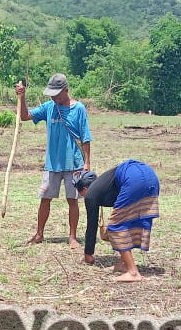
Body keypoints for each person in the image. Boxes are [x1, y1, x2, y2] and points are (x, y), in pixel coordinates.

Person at [15, 73, 92, 248]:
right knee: (45, 199)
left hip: (73, 162)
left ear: (66, 90)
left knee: (72, 200)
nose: (53, 97)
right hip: (52, 162)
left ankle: (72, 237)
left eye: (56, 93)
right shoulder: (49, 107)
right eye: (51, 93)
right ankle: (39, 233)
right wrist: (22, 96)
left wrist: (86, 163)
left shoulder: (79, 109)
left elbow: (85, 137)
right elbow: (25, 116)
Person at [76, 160, 160, 283]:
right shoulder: (106, 184)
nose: (85, 198)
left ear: (84, 188)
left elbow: (91, 225)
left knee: (116, 226)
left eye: (82, 195)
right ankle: (123, 263)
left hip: (133, 178)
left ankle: (133, 272)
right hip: (151, 176)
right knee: (127, 221)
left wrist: (88, 253)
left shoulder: (91, 193)